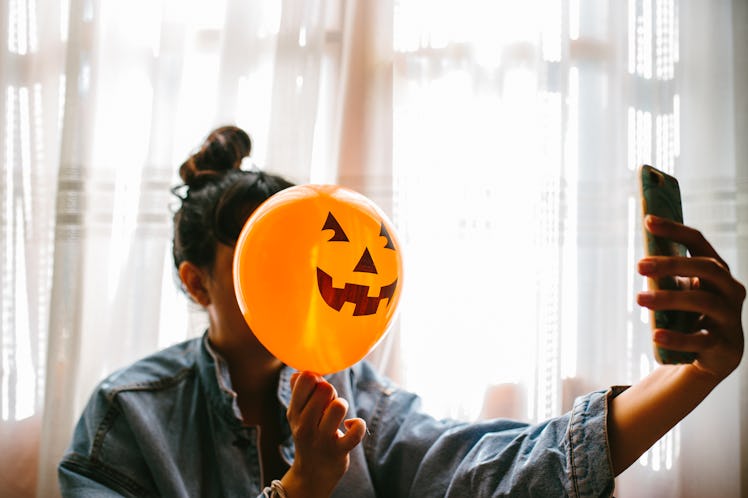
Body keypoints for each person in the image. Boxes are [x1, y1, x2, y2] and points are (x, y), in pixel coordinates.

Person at [58, 126, 745, 497]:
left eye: (308, 244)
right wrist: (300, 491)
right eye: (263, 250)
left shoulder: (356, 395)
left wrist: (693, 378)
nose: (308, 271)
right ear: (197, 280)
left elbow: (491, 471)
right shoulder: (128, 416)